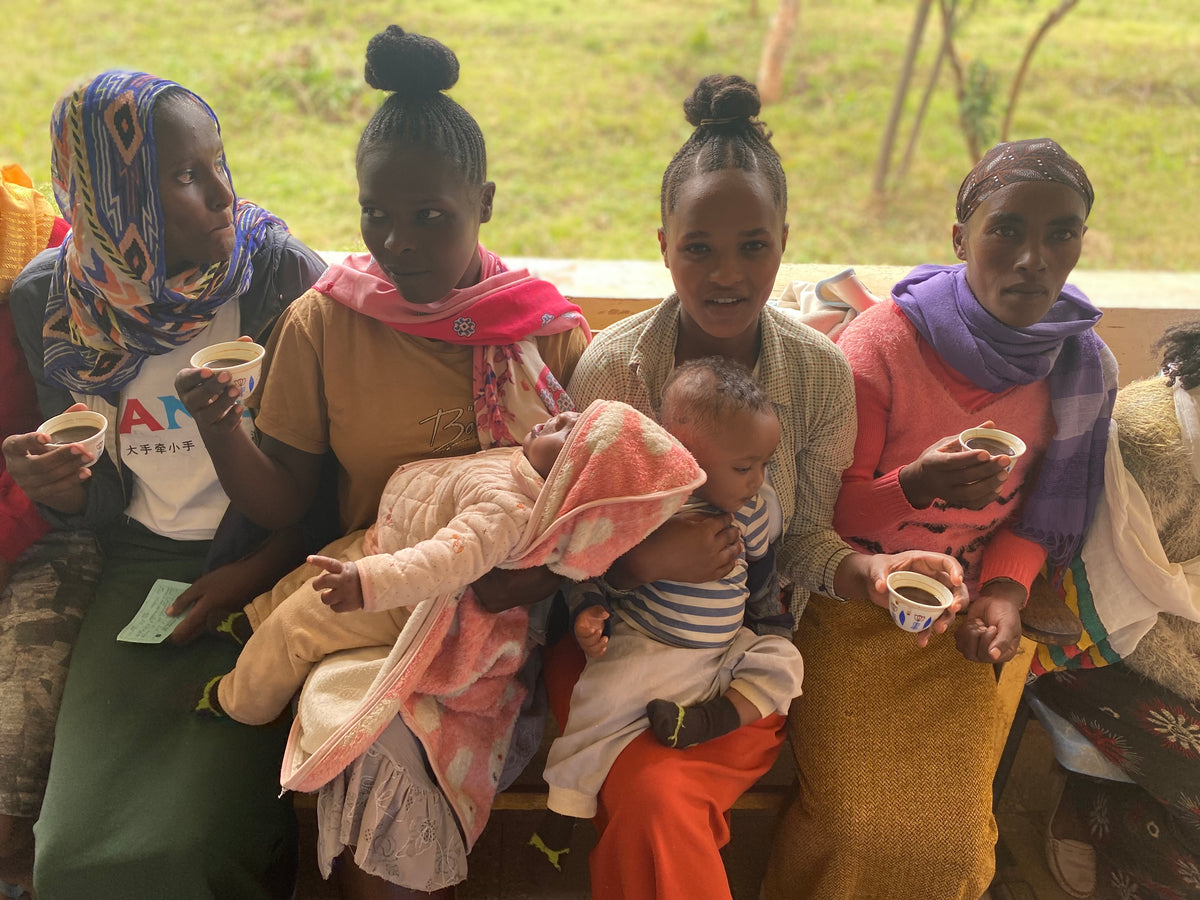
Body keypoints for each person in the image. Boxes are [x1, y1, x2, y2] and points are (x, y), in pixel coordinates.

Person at [173, 26, 590, 899]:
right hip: (362, 605)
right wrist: (221, 429)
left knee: (407, 785)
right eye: (376, 216)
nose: (399, 244)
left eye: (431, 218)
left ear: (486, 202)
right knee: (371, 758)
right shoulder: (327, 323)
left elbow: (583, 506)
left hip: (495, 623)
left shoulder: (541, 332)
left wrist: (531, 581)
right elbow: (287, 501)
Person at [545, 73, 968, 900]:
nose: (727, 274)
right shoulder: (614, 370)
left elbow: (806, 537)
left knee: (661, 793)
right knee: (648, 794)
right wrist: (636, 565)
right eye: (698, 247)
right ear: (662, 242)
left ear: (785, 240)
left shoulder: (817, 377)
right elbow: (566, 535)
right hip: (614, 652)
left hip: (730, 670)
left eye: (754, 246)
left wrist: (869, 573)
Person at [762, 138, 1119, 900]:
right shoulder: (881, 346)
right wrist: (915, 487)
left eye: (1061, 234)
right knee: (856, 823)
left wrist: (1005, 595)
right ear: (962, 239)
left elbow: (1046, 513)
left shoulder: (1081, 363)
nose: (1033, 259)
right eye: (1007, 230)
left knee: (955, 843)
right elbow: (827, 511)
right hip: (853, 597)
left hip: (969, 617)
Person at [4, 72, 327, 899]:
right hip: (134, 572)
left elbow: (330, 486)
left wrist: (254, 575)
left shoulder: (281, 279)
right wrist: (59, 485)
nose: (224, 193)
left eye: (219, 161)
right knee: (70, 855)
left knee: (188, 846)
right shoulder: (54, 300)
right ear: (112, 206)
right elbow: (104, 498)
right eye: (186, 177)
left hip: (268, 571)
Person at [194, 400, 702, 729]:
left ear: (576, 483)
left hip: (395, 590)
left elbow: (440, 563)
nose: (557, 417)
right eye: (571, 416)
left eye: (567, 433)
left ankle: (238, 701)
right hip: (384, 540)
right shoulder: (523, 467)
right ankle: (249, 624)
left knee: (299, 625)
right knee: (306, 577)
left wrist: (366, 585)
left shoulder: (508, 511)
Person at [530, 356, 803, 871]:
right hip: (649, 642)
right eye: (744, 467)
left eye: (765, 462)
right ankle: (561, 814)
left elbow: (764, 575)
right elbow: (585, 562)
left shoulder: (761, 506)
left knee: (785, 664)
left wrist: (771, 628)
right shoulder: (650, 503)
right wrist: (590, 607)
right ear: (684, 455)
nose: (757, 481)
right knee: (600, 701)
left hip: (722, 653)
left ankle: (704, 721)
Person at [1030, 322, 1200, 899]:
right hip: (1095, 642)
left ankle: (1117, 812)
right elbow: (1115, 610)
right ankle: (1095, 811)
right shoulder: (1152, 449)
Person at [0, 163, 82, 900]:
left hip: (39, 532)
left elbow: (53, 461)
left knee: (13, 748)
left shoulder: (43, 267)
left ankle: (19, 869)